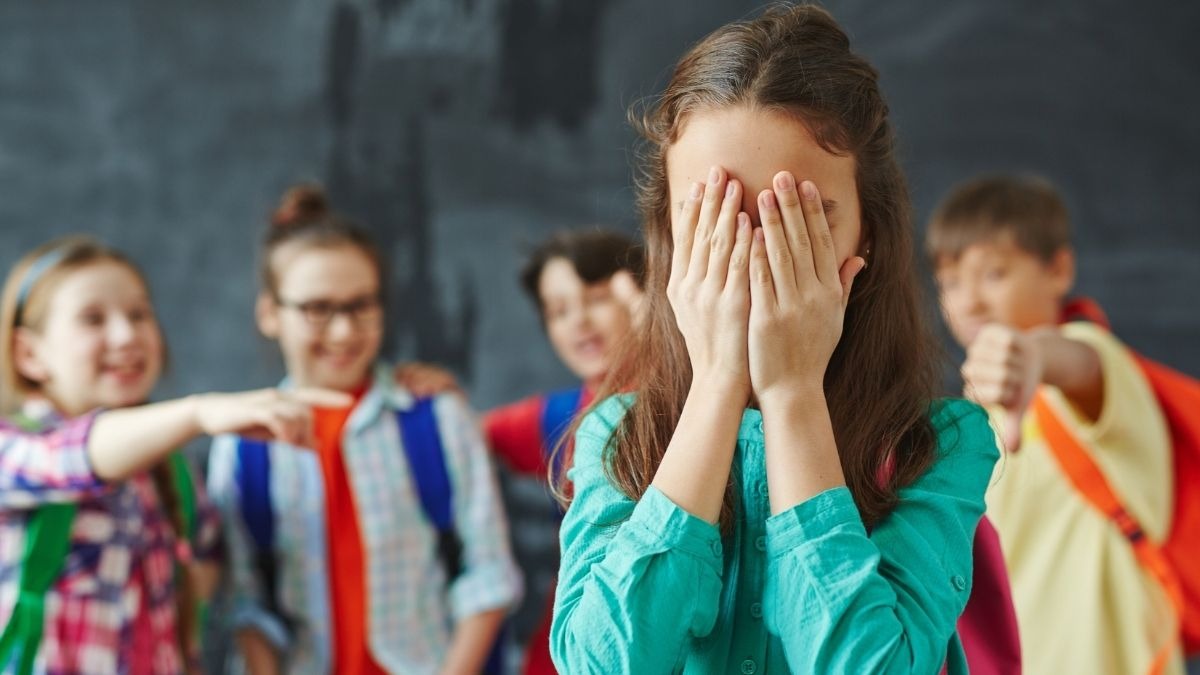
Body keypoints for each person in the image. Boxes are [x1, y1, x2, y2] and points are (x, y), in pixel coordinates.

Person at [549, 5, 1000, 673]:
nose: (754, 255)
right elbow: (602, 662)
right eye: (715, 217)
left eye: (798, 218)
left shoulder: (940, 444)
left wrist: (793, 394)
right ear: (671, 239)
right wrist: (717, 384)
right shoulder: (615, 436)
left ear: (866, 233)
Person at [207, 185, 521, 675]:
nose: (343, 332)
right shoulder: (243, 444)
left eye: (361, 306)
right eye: (317, 309)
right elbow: (247, 599)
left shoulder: (436, 418)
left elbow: (488, 575)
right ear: (271, 314)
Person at [0, 235, 344, 675]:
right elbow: (71, 458)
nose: (126, 335)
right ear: (29, 354)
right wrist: (198, 412)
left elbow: (206, 562)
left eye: (139, 314)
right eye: (93, 319)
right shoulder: (15, 449)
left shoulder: (172, 473)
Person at [929, 174, 1184, 674]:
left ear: (1059, 269)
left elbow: (1077, 363)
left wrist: (1034, 352)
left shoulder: (1099, 365)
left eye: (994, 273)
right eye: (950, 282)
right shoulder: (976, 408)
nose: (970, 301)